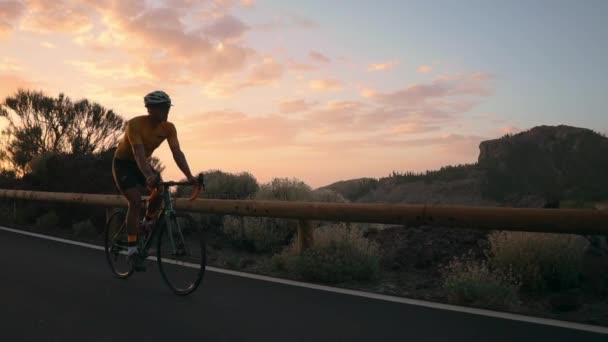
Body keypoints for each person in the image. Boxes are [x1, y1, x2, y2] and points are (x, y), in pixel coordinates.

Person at [112, 90, 198, 270]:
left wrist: (190, 176)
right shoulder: (134, 124)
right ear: (151, 109)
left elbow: (177, 153)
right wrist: (149, 176)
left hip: (141, 163)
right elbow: (138, 154)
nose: (167, 111)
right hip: (124, 164)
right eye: (163, 108)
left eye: (168, 107)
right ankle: (132, 249)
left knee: (159, 190)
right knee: (135, 201)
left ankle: (148, 221)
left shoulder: (168, 128)